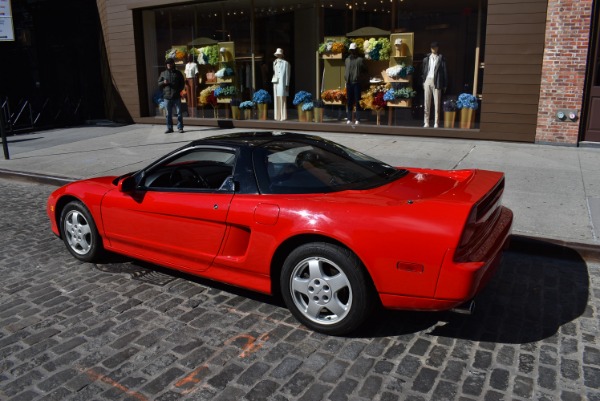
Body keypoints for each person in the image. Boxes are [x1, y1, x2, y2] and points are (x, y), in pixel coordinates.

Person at [421, 41, 448, 128]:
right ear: (430, 48)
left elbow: (444, 72)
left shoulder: (441, 58)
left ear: (438, 48)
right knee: (427, 102)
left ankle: (436, 122)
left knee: (437, 102)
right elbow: (423, 71)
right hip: (427, 80)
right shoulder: (426, 59)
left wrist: (445, 84)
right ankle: (426, 122)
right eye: (432, 47)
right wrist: (423, 81)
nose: (434, 49)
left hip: (437, 81)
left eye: (435, 47)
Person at [158, 58, 185, 133]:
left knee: (179, 113)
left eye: (170, 63)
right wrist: (163, 82)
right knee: (168, 114)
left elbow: (182, 83)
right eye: (167, 63)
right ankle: (169, 128)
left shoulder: (178, 73)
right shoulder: (163, 73)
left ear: (173, 64)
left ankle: (180, 128)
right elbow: (159, 84)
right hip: (167, 97)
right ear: (166, 65)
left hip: (176, 96)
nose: (169, 65)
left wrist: (178, 91)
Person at [345, 42, 367, 125]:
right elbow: (346, 69)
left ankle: (358, 119)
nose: (352, 51)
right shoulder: (347, 60)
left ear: (356, 50)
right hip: (349, 82)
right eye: (351, 50)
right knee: (349, 101)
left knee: (358, 101)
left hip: (357, 83)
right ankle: (349, 118)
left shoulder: (360, 60)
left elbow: (365, 69)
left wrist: (360, 76)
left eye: (353, 50)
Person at [272, 48, 290, 121]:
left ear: (282, 55)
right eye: (277, 54)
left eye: (279, 54)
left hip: (282, 83)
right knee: (276, 99)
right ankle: (277, 116)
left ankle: (283, 116)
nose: (278, 55)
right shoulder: (274, 62)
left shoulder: (286, 63)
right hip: (276, 83)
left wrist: (287, 84)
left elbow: (288, 75)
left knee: (283, 99)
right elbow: (274, 72)